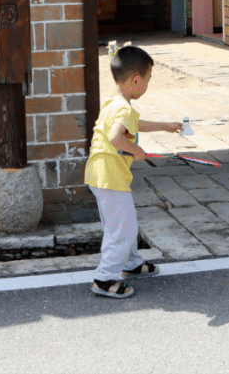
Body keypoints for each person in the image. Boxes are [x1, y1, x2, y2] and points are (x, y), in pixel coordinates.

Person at [85, 45, 183, 298]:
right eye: (148, 80)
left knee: (122, 224)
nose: (148, 85)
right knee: (123, 229)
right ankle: (104, 279)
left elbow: (131, 124)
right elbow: (116, 137)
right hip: (110, 175)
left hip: (100, 172)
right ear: (136, 80)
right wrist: (137, 151)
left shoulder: (114, 103)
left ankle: (131, 265)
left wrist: (165, 126)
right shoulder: (124, 108)